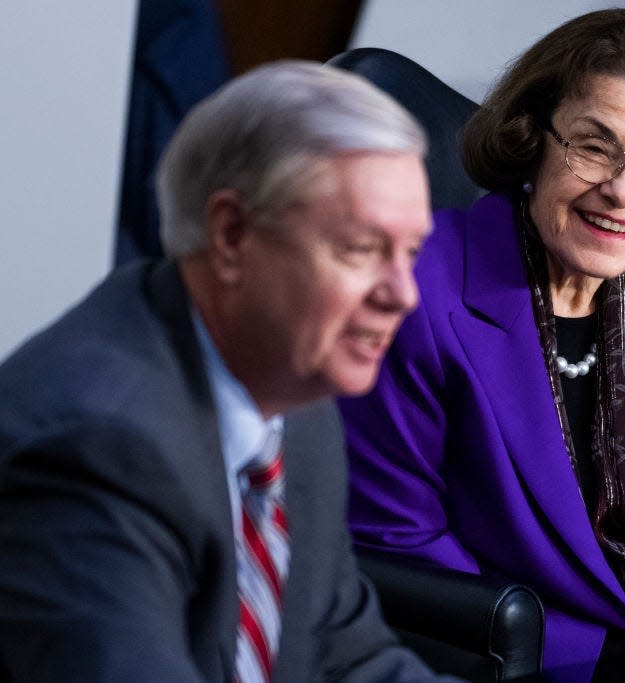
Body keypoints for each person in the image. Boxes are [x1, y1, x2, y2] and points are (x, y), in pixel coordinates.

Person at [338, 9, 625, 682]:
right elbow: (398, 547)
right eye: (595, 147)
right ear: (532, 140)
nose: (623, 191)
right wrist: (623, 662)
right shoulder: (411, 294)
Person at [0, 61, 457, 682]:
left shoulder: (299, 403)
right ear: (231, 234)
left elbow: (351, 658)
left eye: (410, 253)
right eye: (360, 249)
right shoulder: (97, 444)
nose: (404, 293)